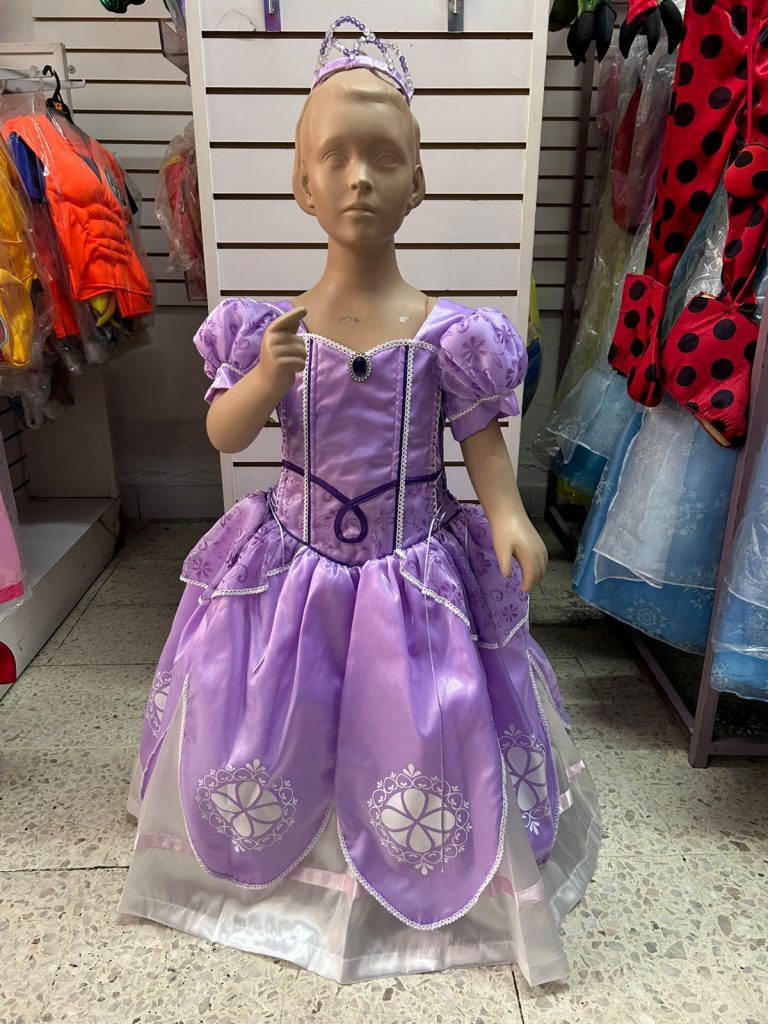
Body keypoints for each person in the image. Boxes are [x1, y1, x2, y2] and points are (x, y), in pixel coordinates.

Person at [120, 17, 600, 987]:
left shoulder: (452, 337)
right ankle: (285, 850)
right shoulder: (267, 329)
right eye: (334, 158)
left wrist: (508, 514)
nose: (359, 180)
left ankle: (415, 856)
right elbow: (225, 434)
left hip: (412, 569)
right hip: (292, 564)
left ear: (419, 182)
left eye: (384, 159)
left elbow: (483, 449)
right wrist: (262, 379)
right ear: (301, 183)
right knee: (279, 708)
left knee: (416, 716)